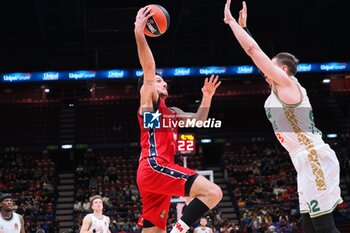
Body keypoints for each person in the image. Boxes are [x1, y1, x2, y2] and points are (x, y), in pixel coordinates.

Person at [224, 1, 342, 232]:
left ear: (283, 70)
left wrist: (231, 24)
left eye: (271, 66)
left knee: (323, 226)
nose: (264, 69)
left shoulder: (288, 85)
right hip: (302, 159)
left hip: (313, 155)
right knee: (308, 225)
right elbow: (257, 56)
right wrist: (245, 29)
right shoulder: (278, 89)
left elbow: (254, 51)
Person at [134, 6, 223, 233]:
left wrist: (207, 97)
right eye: (158, 80)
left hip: (154, 175)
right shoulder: (149, 103)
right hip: (155, 166)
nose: (163, 82)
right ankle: (180, 230)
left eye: (163, 80)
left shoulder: (170, 112)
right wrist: (139, 34)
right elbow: (148, 69)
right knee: (213, 192)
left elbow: (199, 121)